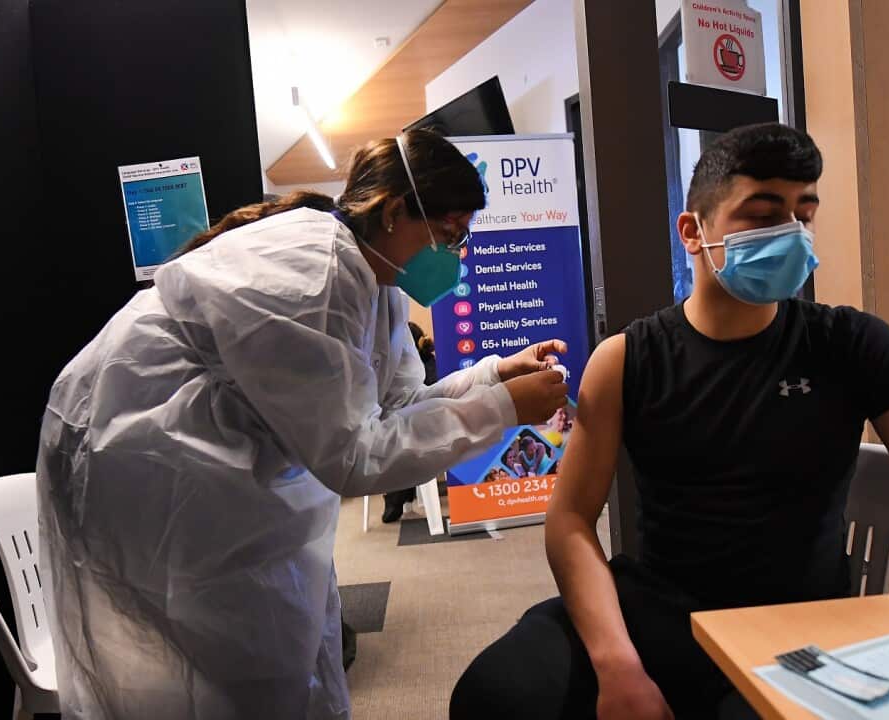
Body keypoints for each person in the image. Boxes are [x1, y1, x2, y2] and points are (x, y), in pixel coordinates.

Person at [450, 123, 889, 719]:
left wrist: (881, 650)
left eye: (804, 213)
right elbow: (570, 519)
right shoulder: (627, 359)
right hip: (655, 613)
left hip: (794, 632)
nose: (792, 234)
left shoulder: (852, 345)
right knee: (494, 695)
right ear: (693, 232)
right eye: (764, 213)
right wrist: (616, 663)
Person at [37, 129, 570, 720]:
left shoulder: (378, 284)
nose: (457, 254)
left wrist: (496, 378)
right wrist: (504, 409)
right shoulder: (321, 270)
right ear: (395, 212)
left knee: (273, 644)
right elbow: (355, 457)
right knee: (197, 658)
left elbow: (398, 406)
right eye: (449, 233)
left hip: (202, 461)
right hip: (129, 447)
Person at [382, 321, 438, 522]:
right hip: (411, 425)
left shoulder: (418, 366)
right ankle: (400, 495)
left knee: (402, 440)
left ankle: (397, 497)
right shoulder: (424, 363)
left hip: (425, 425)